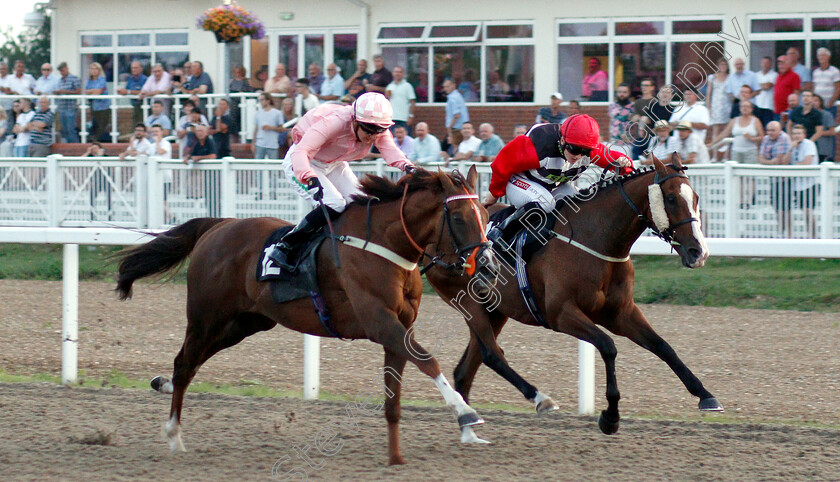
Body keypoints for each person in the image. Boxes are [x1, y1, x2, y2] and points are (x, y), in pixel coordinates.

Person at [268, 92, 414, 265]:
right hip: (302, 162)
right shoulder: (334, 122)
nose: (373, 136)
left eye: (379, 131)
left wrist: (408, 166)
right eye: (369, 130)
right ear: (354, 120)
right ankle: (286, 245)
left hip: (334, 163)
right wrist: (309, 177)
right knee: (335, 203)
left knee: (363, 202)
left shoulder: (374, 126)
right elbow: (302, 152)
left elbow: (390, 149)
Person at [484, 114, 633, 241]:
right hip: (520, 181)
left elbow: (622, 162)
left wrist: (624, 165)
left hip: (549, 186)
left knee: (580, 203)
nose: (579, 156)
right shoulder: (538, 145)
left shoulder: (589, 150)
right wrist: (495, 193)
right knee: (546, 203)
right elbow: (502, 162)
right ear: (562, 140)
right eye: (574, 149)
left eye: (586, 151)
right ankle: (501, 231)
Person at [758, 122, 793, 237]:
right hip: (774, 179)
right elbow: (761, 158)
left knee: (785, 207)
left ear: (779, 130)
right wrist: (770, 162)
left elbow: (781, 160)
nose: (770, 133)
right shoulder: (766, 139)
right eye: (769, 130)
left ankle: (788, 232)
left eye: (773, 130)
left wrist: (769, 162)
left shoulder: (784, 138)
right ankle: (781, 231)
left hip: (785, 179)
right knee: (777, 206)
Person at [785, 124, 819, 237]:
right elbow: (784, 162)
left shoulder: (809, 144)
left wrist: (793, 165)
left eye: (799, 133)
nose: (796, 136)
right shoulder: (792, 146)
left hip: (810, 183)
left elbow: (807, 162)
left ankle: (814, 236)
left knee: (808, 212)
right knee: (802, 210)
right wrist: (790, 149)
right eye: (794, 133)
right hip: (797, 184)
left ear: (804, 135)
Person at [54, 62, 82, 143]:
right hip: (62, 108)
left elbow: (78, 91)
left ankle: (75, 147)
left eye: (63, 70)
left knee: (71, 129)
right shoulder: (60, 80)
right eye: (60, 71)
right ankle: (67, 146)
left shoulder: (74, 79)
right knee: (64, 130)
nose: (62, 72)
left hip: (70, 108)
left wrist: (65, 91)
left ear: (67, 68)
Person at [252, 92, 284, 159]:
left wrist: (271, 127)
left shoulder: (277, 113)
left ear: (268, 100)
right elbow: (256, 129)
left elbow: (281, 129)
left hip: (272, 144)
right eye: (259, 100)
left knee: (273, 167)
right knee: (258, 166)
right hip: (260, 143)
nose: (260, 102)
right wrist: (253, 143)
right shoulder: (258, 113)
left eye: (262, 100)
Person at [385, 66, 416, 132]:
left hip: (404, 118)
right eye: (396, 72)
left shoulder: (407, 86)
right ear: (393, 73)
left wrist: (411, 116)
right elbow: (386, 101)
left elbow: (412, 102)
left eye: (399, 72)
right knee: (392, 140)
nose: (397, 74)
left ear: (402, 74)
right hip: (392, 118)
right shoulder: (389, 86)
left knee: (405, 139)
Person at [85, 62, 110, 143]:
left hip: (103, 106)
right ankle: (94, 143)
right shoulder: (89, 80)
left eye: (96, 69)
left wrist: (92, 91)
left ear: (99, 70)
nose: (94, 71)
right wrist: (93, 91)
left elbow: (99, 91)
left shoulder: (102, 79)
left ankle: (98, 143)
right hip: (94, 106)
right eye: (92, 69)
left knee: (102, 127)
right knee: (94, 126)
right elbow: (86, 91)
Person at [228, 65, 254, 141]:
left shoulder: (247, 81)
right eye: (235, 72)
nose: (237, 74)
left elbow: (251, 91)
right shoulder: (232, 81)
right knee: (234, 120)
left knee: (243, 120)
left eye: (239, 72)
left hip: (245, 104)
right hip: (234, 105)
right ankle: (235, 137)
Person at [707, 59, 731, 143]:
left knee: (726, 130)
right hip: (715, 106)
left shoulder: (730, 77)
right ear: (718, 66)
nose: (723, 66)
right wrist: (708, 107)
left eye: (725, 65)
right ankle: (714, 154)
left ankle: (726, 155)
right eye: (721, 64)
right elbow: (709, 94)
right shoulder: (712, 77)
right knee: (715, 130)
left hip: (727, 105)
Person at [812, 48, 840, 117]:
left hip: (829, 106)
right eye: (819, 55)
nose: (821, 57)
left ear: (828, 57)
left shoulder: (835, 71)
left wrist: (830, 103)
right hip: (817, 107)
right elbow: (813, 88)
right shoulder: (816, 72)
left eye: (823, 55)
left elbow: (838, 88)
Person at [118, 60, 148, 125]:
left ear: (141, 69)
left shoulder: (145, 79)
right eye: (132, 68)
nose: (134, 70)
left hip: (143, 105)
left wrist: (128, 91)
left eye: (136, 68)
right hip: (134, 105)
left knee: (141, 124)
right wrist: (122, 91)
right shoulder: (130, 79)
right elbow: (127, 89)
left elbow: (143, 92)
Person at [811, 95, 835, 163]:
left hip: (823, 147)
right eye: (812, 100)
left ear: (820, 102)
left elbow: (832, 132)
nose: (814, 102)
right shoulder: (807, 115)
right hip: (811, 148)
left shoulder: (826, 114)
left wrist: (819, 132)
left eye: (816, 100)